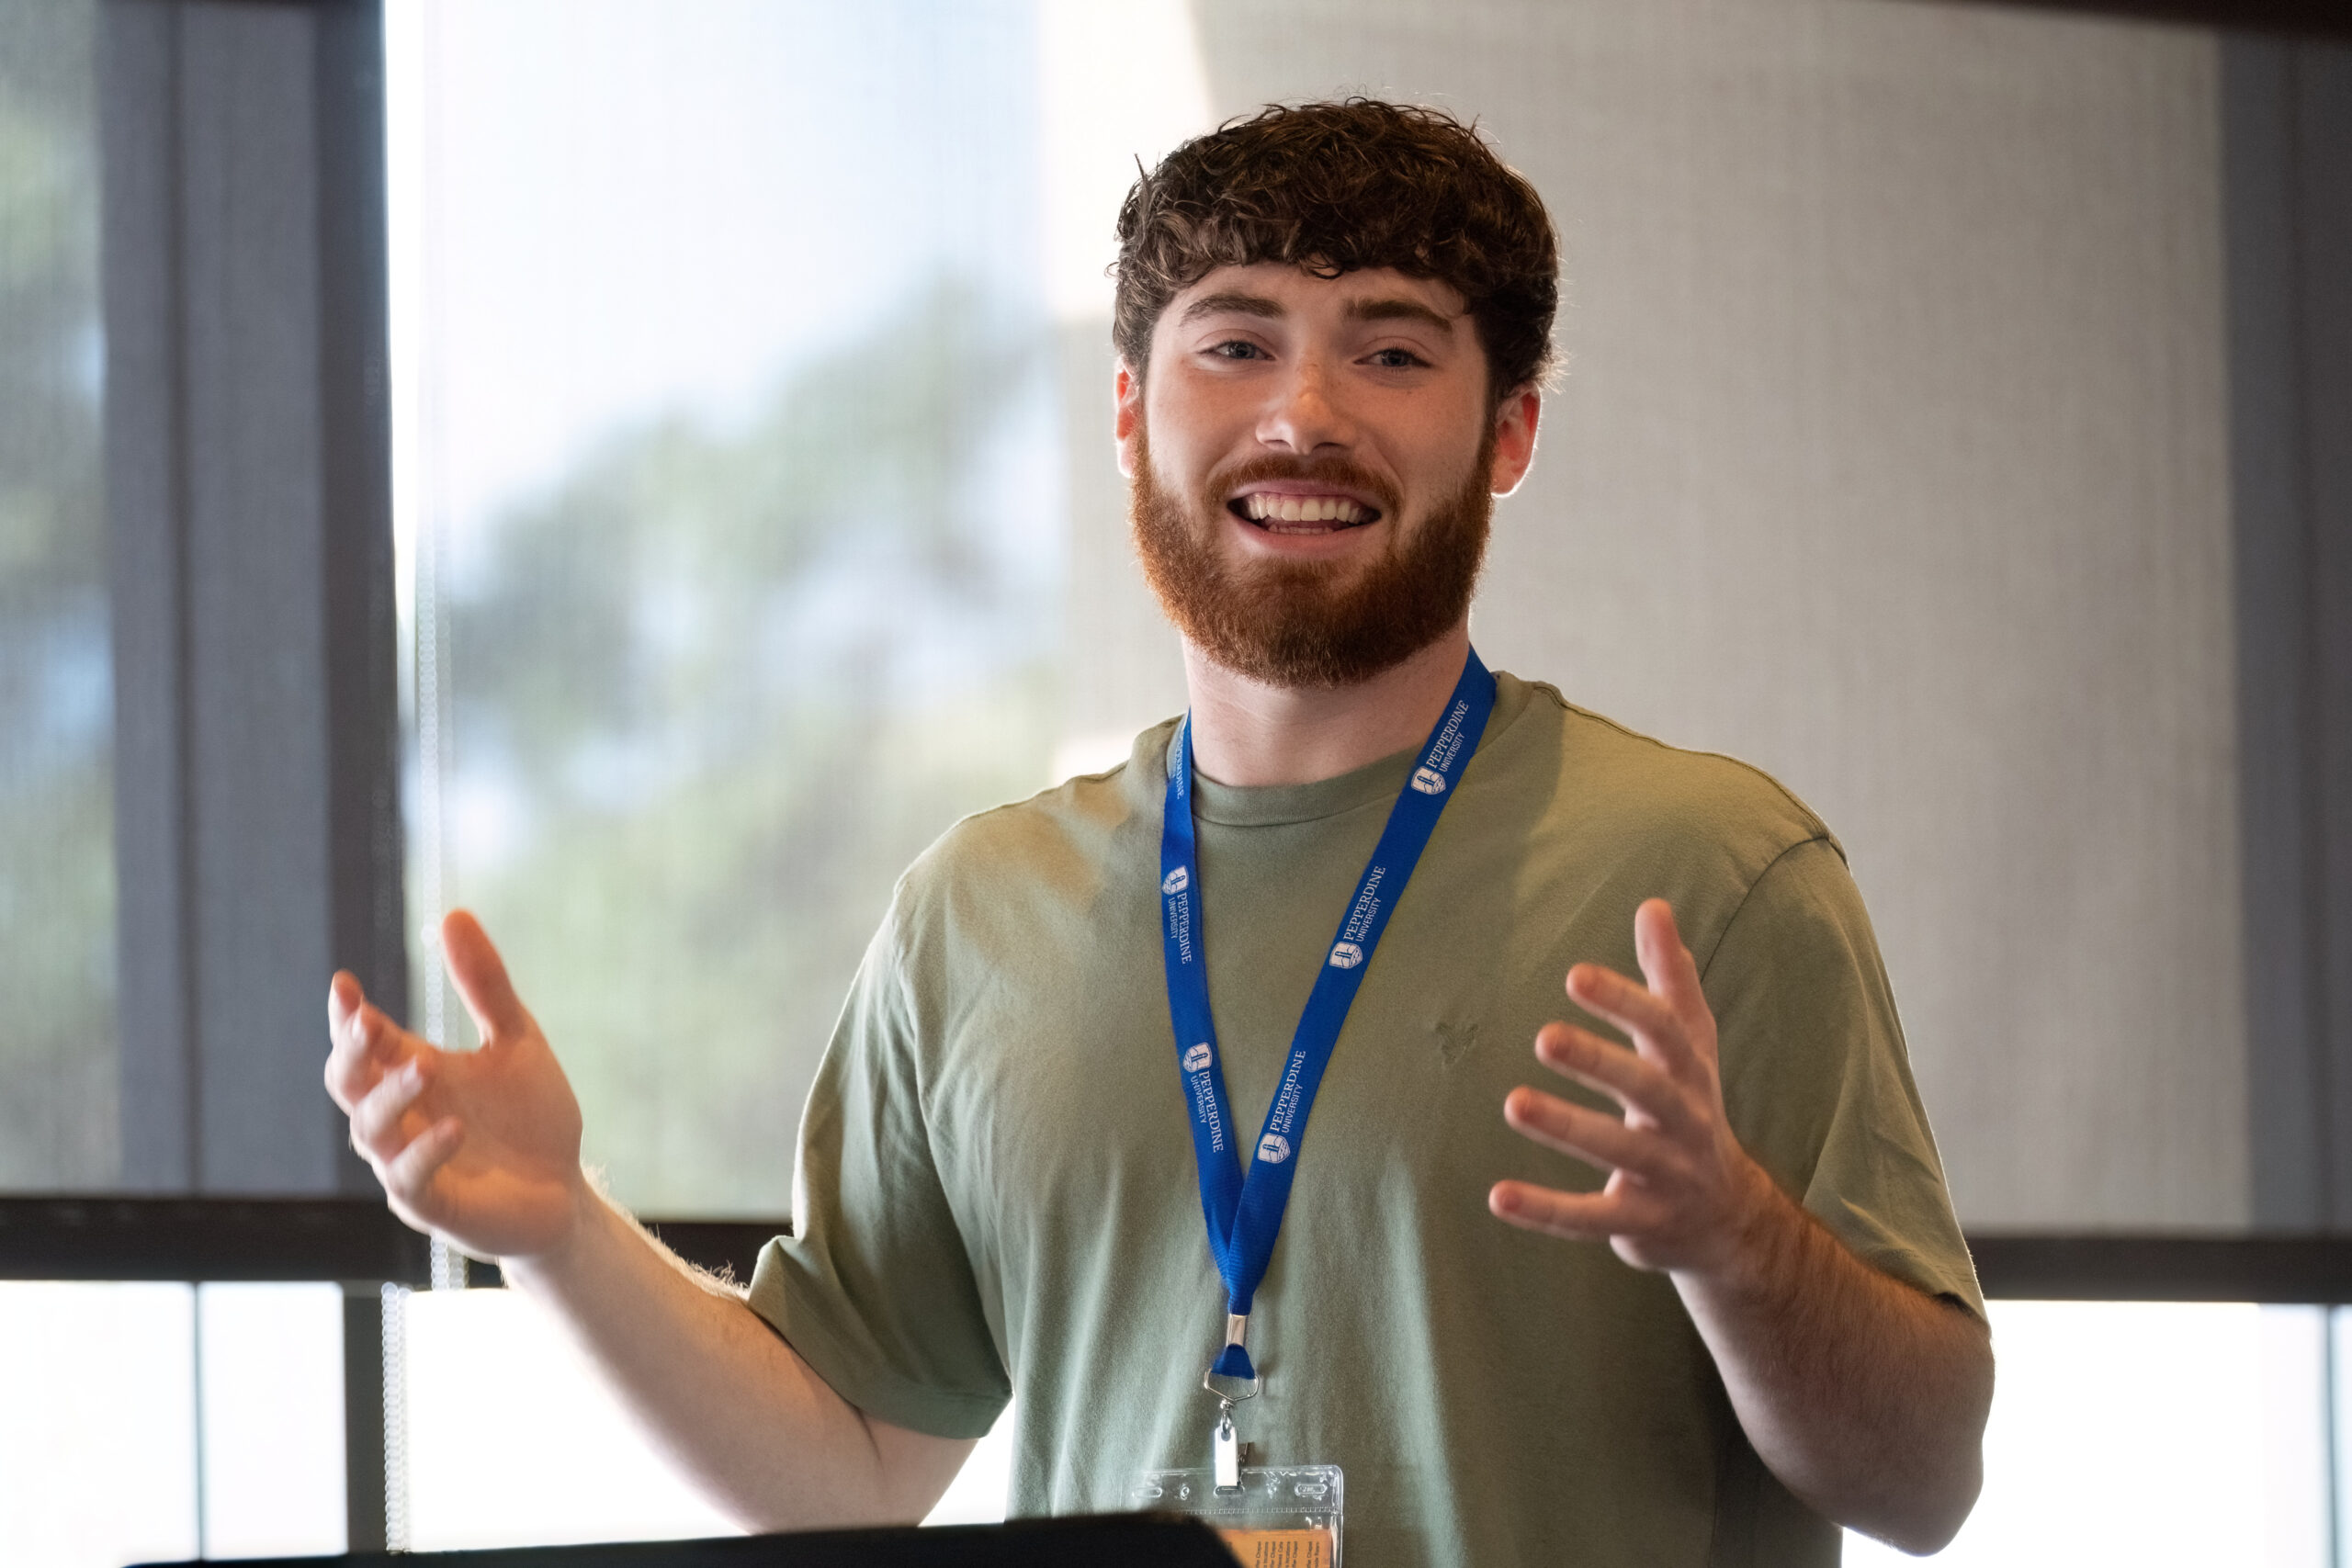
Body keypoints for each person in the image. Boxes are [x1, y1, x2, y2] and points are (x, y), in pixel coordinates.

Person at [326, 100, 1992, 1567]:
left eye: (1395, 350)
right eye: (1236, 342)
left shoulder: (1710, 872)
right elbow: (843, 1468)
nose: (1305, 415)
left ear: (1510, 437)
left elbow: (1919, 1484)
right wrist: (556, 1231)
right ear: (1130, 411)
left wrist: (1731, 1234)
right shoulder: (977, 912)